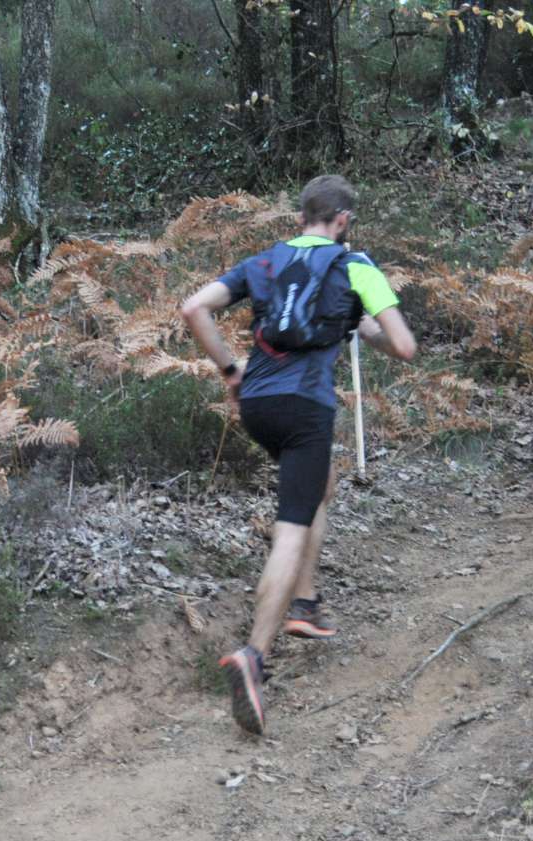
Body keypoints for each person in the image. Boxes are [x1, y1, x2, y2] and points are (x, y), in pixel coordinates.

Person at [180, 173, 416, 735]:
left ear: (302, 217)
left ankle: (306, 605)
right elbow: (404, 346)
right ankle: (254, 656)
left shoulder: (264, 261)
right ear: (343, 221)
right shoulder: (355, 265)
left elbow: (194, 309)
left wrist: (231, 370)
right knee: (292, 525)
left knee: (319, 487)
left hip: (258, 404)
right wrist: (364, 327)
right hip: (306, 409)